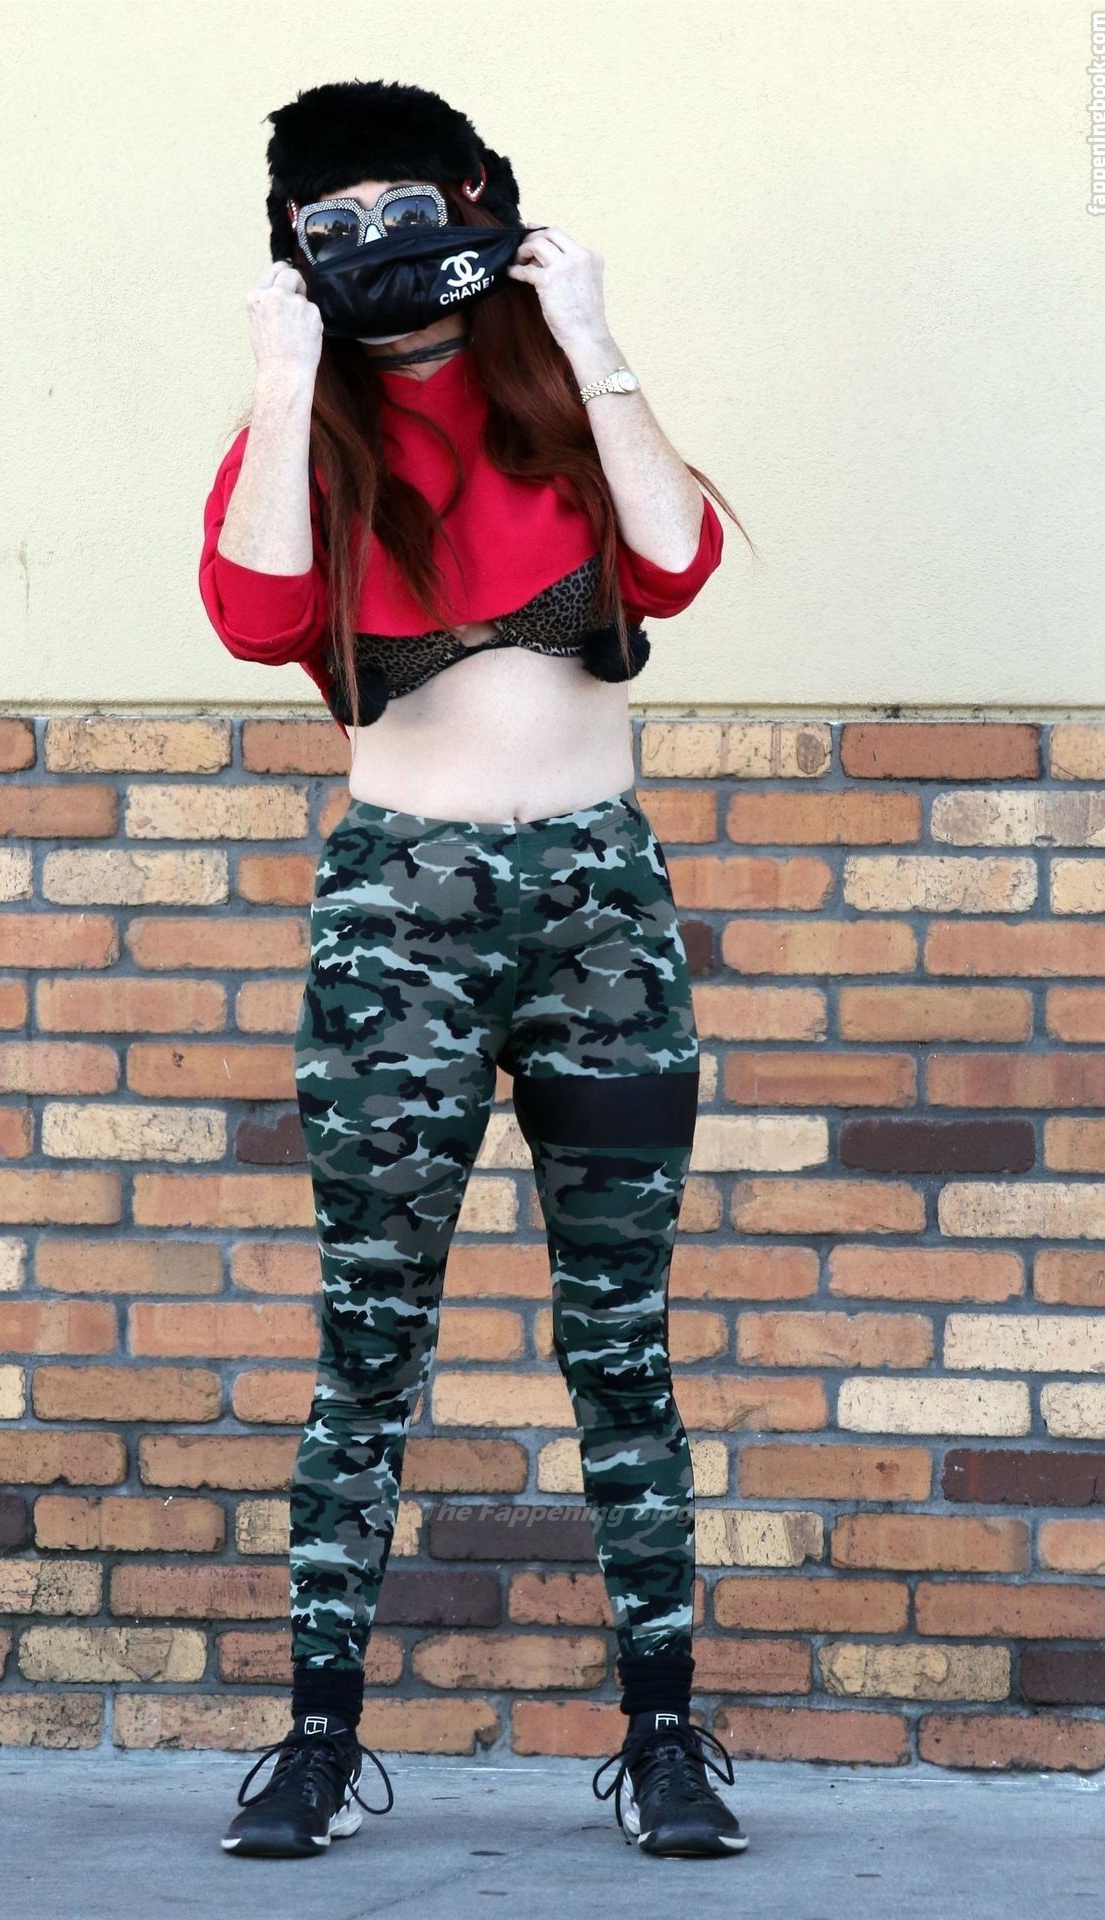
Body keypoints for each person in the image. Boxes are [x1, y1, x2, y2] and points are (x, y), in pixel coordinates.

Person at [199, 77, 751, 1863]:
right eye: (333, 225)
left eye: (406, 209)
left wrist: (589, 336)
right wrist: (283, 370)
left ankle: (664, 1738)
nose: (380, 248)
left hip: (601, 910)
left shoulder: (560, 403)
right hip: (400, 920)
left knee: (621, 1346)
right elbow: (258, 617)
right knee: (371, 1341)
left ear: (477, 202)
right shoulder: (312, 436)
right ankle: (315, 1741)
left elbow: (678, 558)